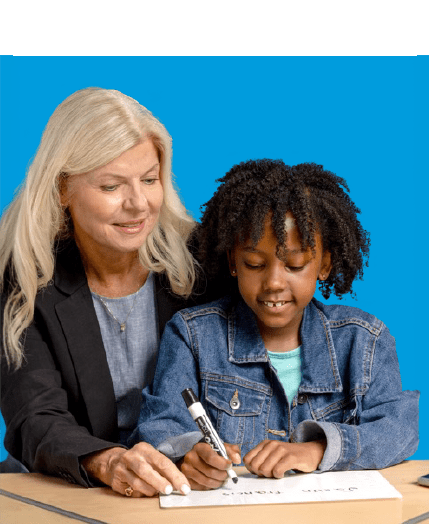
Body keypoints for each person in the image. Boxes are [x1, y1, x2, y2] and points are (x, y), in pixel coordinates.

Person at [130, 160, 419, 490]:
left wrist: (317, 449)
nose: (274, 283)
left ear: (324, 264)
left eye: (294, 265)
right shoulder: (192, 334)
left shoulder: (363, 341)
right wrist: (188, 456)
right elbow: (159, 425)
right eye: (254, 263)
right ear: (233, 262)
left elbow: (400, 429)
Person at [0, 87, 198, 497]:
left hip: (175, 489)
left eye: (149, 179)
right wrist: (107, 461)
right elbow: (36, 418)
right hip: (64, 487)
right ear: (61, 190)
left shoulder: (200, 265)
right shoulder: (20, 279)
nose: (139, 204)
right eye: (112, 187)